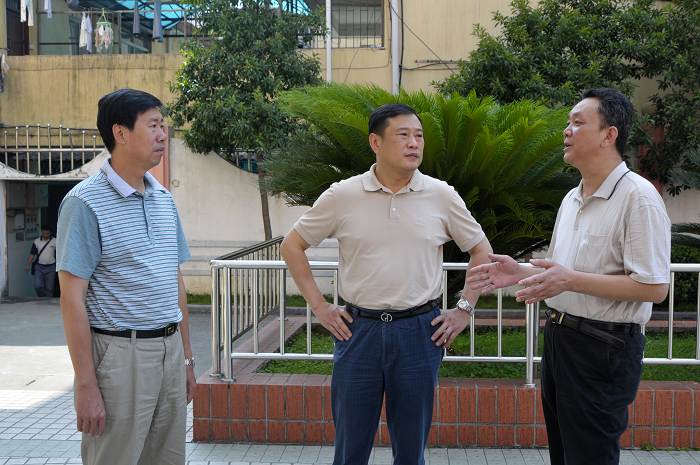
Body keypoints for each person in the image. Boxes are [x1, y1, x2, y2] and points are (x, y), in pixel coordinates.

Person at [281, 103, 493, 465]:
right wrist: (319, 306)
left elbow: (481, 250)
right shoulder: (343, 195)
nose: (414, 143)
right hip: (358, 332)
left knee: (411, 451)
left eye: (419, 136)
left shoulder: (441, 195)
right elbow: (292, 245)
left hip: (419, 333)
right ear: (375, 142)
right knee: (350, 449)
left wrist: (464, 309)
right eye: (403, 135)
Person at [467, 88, 671, 465]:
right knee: (564, 454)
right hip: (561, 338)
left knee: (589, 455)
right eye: (568, 122)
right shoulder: (572, 197)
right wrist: (519, 272)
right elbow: (563, 270)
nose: (567, 130)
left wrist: (569, 280)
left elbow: (654, 287)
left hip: (604, 346)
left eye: (578, 123)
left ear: (609, 135)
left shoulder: (638, 198)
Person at [56, 88, 196, 465]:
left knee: (167, 459)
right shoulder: (84, 203)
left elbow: (175, 282)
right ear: (120, 133)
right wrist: (86, 385)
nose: (163, 134)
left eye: (163, 125)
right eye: (153, 125)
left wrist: (186, 360)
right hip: (120, 357)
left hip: (170, 351)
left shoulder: (163, 198)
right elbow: (71, 300)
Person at [26, 225, 57, 297]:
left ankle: (48, 301)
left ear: (50, 233)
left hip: (51, 267)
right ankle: (42, 298)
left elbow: (61, 253)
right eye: (44, 233)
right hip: (39, 267)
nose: (45, 235)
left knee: (50, 288)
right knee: (37, 286)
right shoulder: (36, 241)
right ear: (41, 232)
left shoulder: (55, 241)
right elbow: (32, 254)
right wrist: (28, 265)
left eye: (47, 234)